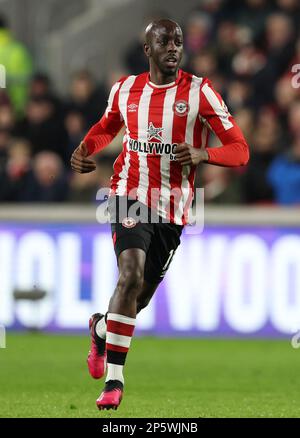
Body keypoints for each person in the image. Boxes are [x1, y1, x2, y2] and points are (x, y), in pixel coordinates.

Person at [71, 19, 249, 411]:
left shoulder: (201, 93)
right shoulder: (125, 89)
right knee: (130, 275)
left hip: (173, 209)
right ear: (147, 49)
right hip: (128, 194)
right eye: (164, 41)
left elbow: (240, 149)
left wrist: (205, 153)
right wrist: (86, 148)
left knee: (139, 297)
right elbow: (108, 126)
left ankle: (101, 328)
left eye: (179, 41)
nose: (173, 47)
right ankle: (115, 382)